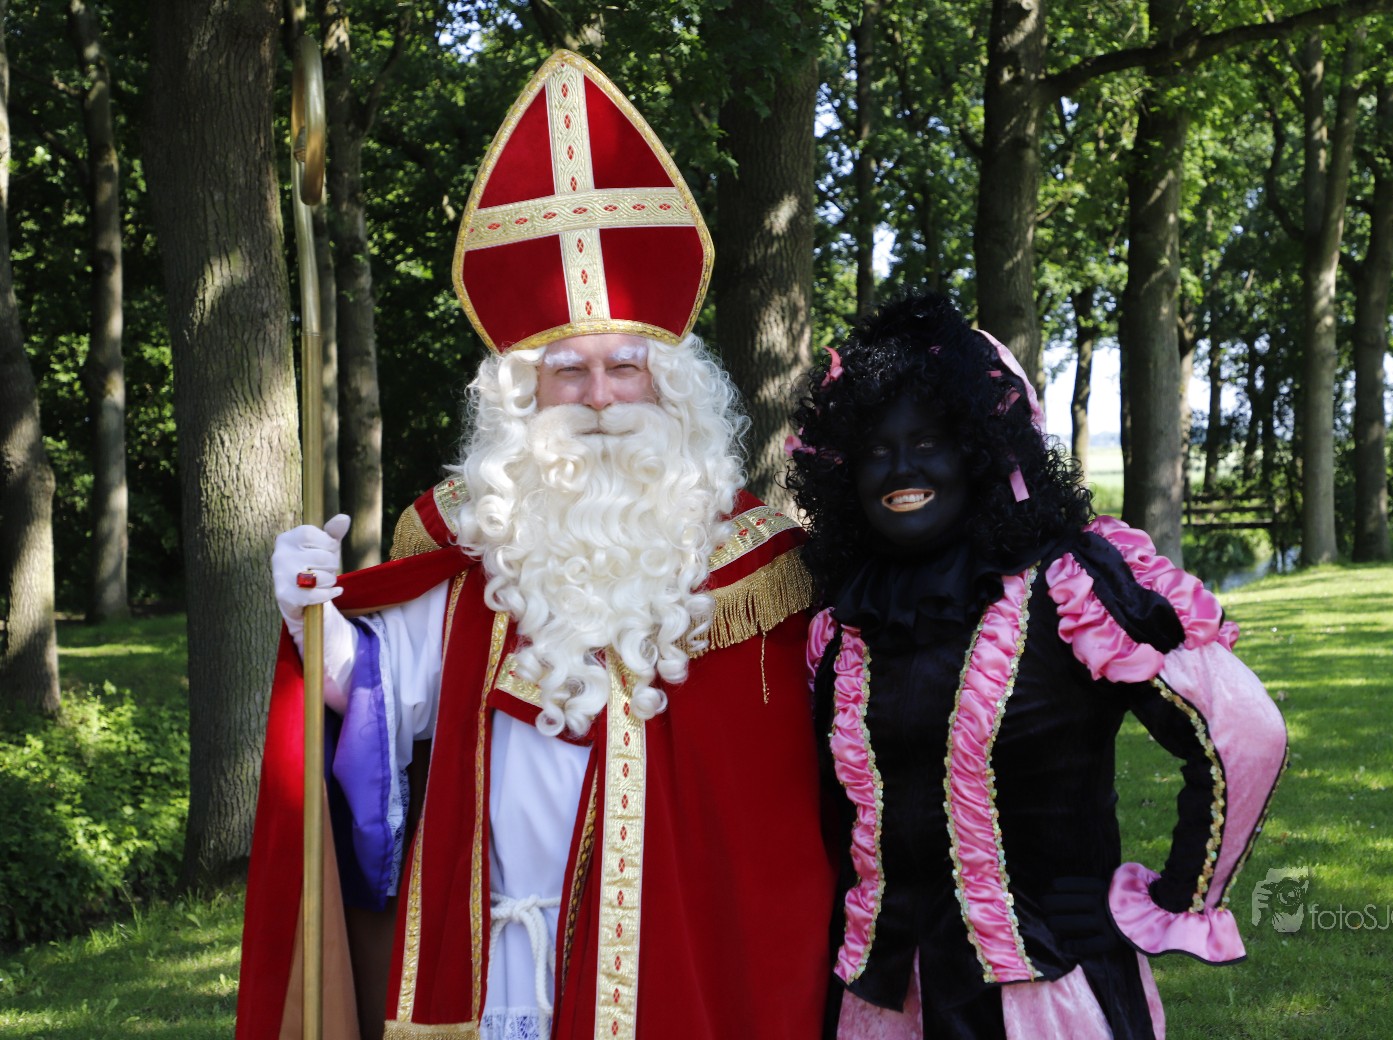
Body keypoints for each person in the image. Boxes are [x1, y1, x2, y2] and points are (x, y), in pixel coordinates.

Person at [235, 50, 833, 1040]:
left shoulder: (758, 565)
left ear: (671, 389)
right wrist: (311, 608)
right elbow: (378, 698)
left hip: (672, 954)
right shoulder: (473, 537)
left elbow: (782, 813)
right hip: (499, 945)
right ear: (523, 398)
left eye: (625, 369)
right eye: (568, 373)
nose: (599, 399)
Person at [785, 294, 1288, 1040]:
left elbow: (1245, 732)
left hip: (1046, 996)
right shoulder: (842, 622)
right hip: (884, 1005)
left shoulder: (1069, 586)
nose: (901, 469)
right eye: (877, 451)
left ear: (981, 450)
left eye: (928, 442)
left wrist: (1170, 899)